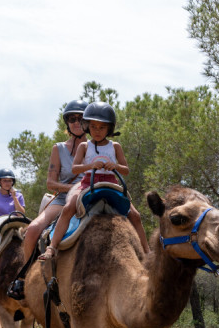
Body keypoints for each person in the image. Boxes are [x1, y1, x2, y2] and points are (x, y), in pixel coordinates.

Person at [40, 101, 150, 260]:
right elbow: (75, 169)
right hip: (88, 183)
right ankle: (52, 247)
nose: (97, 131)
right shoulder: (84, 146)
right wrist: (90, 165)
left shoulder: (115, 146)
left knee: (135, 214)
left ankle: (147, 252)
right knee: (69, 207)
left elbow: (126, 170)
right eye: (93, 127)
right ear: (87, 127)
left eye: (102, 127)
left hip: (111, 184)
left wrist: (116, 166)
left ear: (109, 128)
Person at [7, 99, 88, 300]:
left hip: (91, 196)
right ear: (67, 123)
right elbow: (51, 183)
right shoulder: (58, 148)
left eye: (80, 118)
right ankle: (25, 278)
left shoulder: (97, 147)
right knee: (33, 229)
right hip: (64, 199)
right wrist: (73, 188)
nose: (76, 122)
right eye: (71, 118)